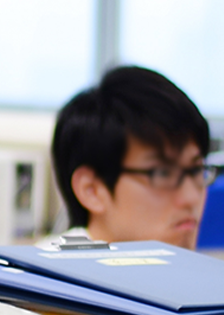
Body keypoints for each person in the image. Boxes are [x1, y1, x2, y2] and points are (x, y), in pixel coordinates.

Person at [50, 65, 215, 250]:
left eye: (196, 170)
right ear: (92, 190)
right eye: (162, 173)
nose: (191, 198)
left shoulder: (175, 264)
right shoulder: (45, 268)